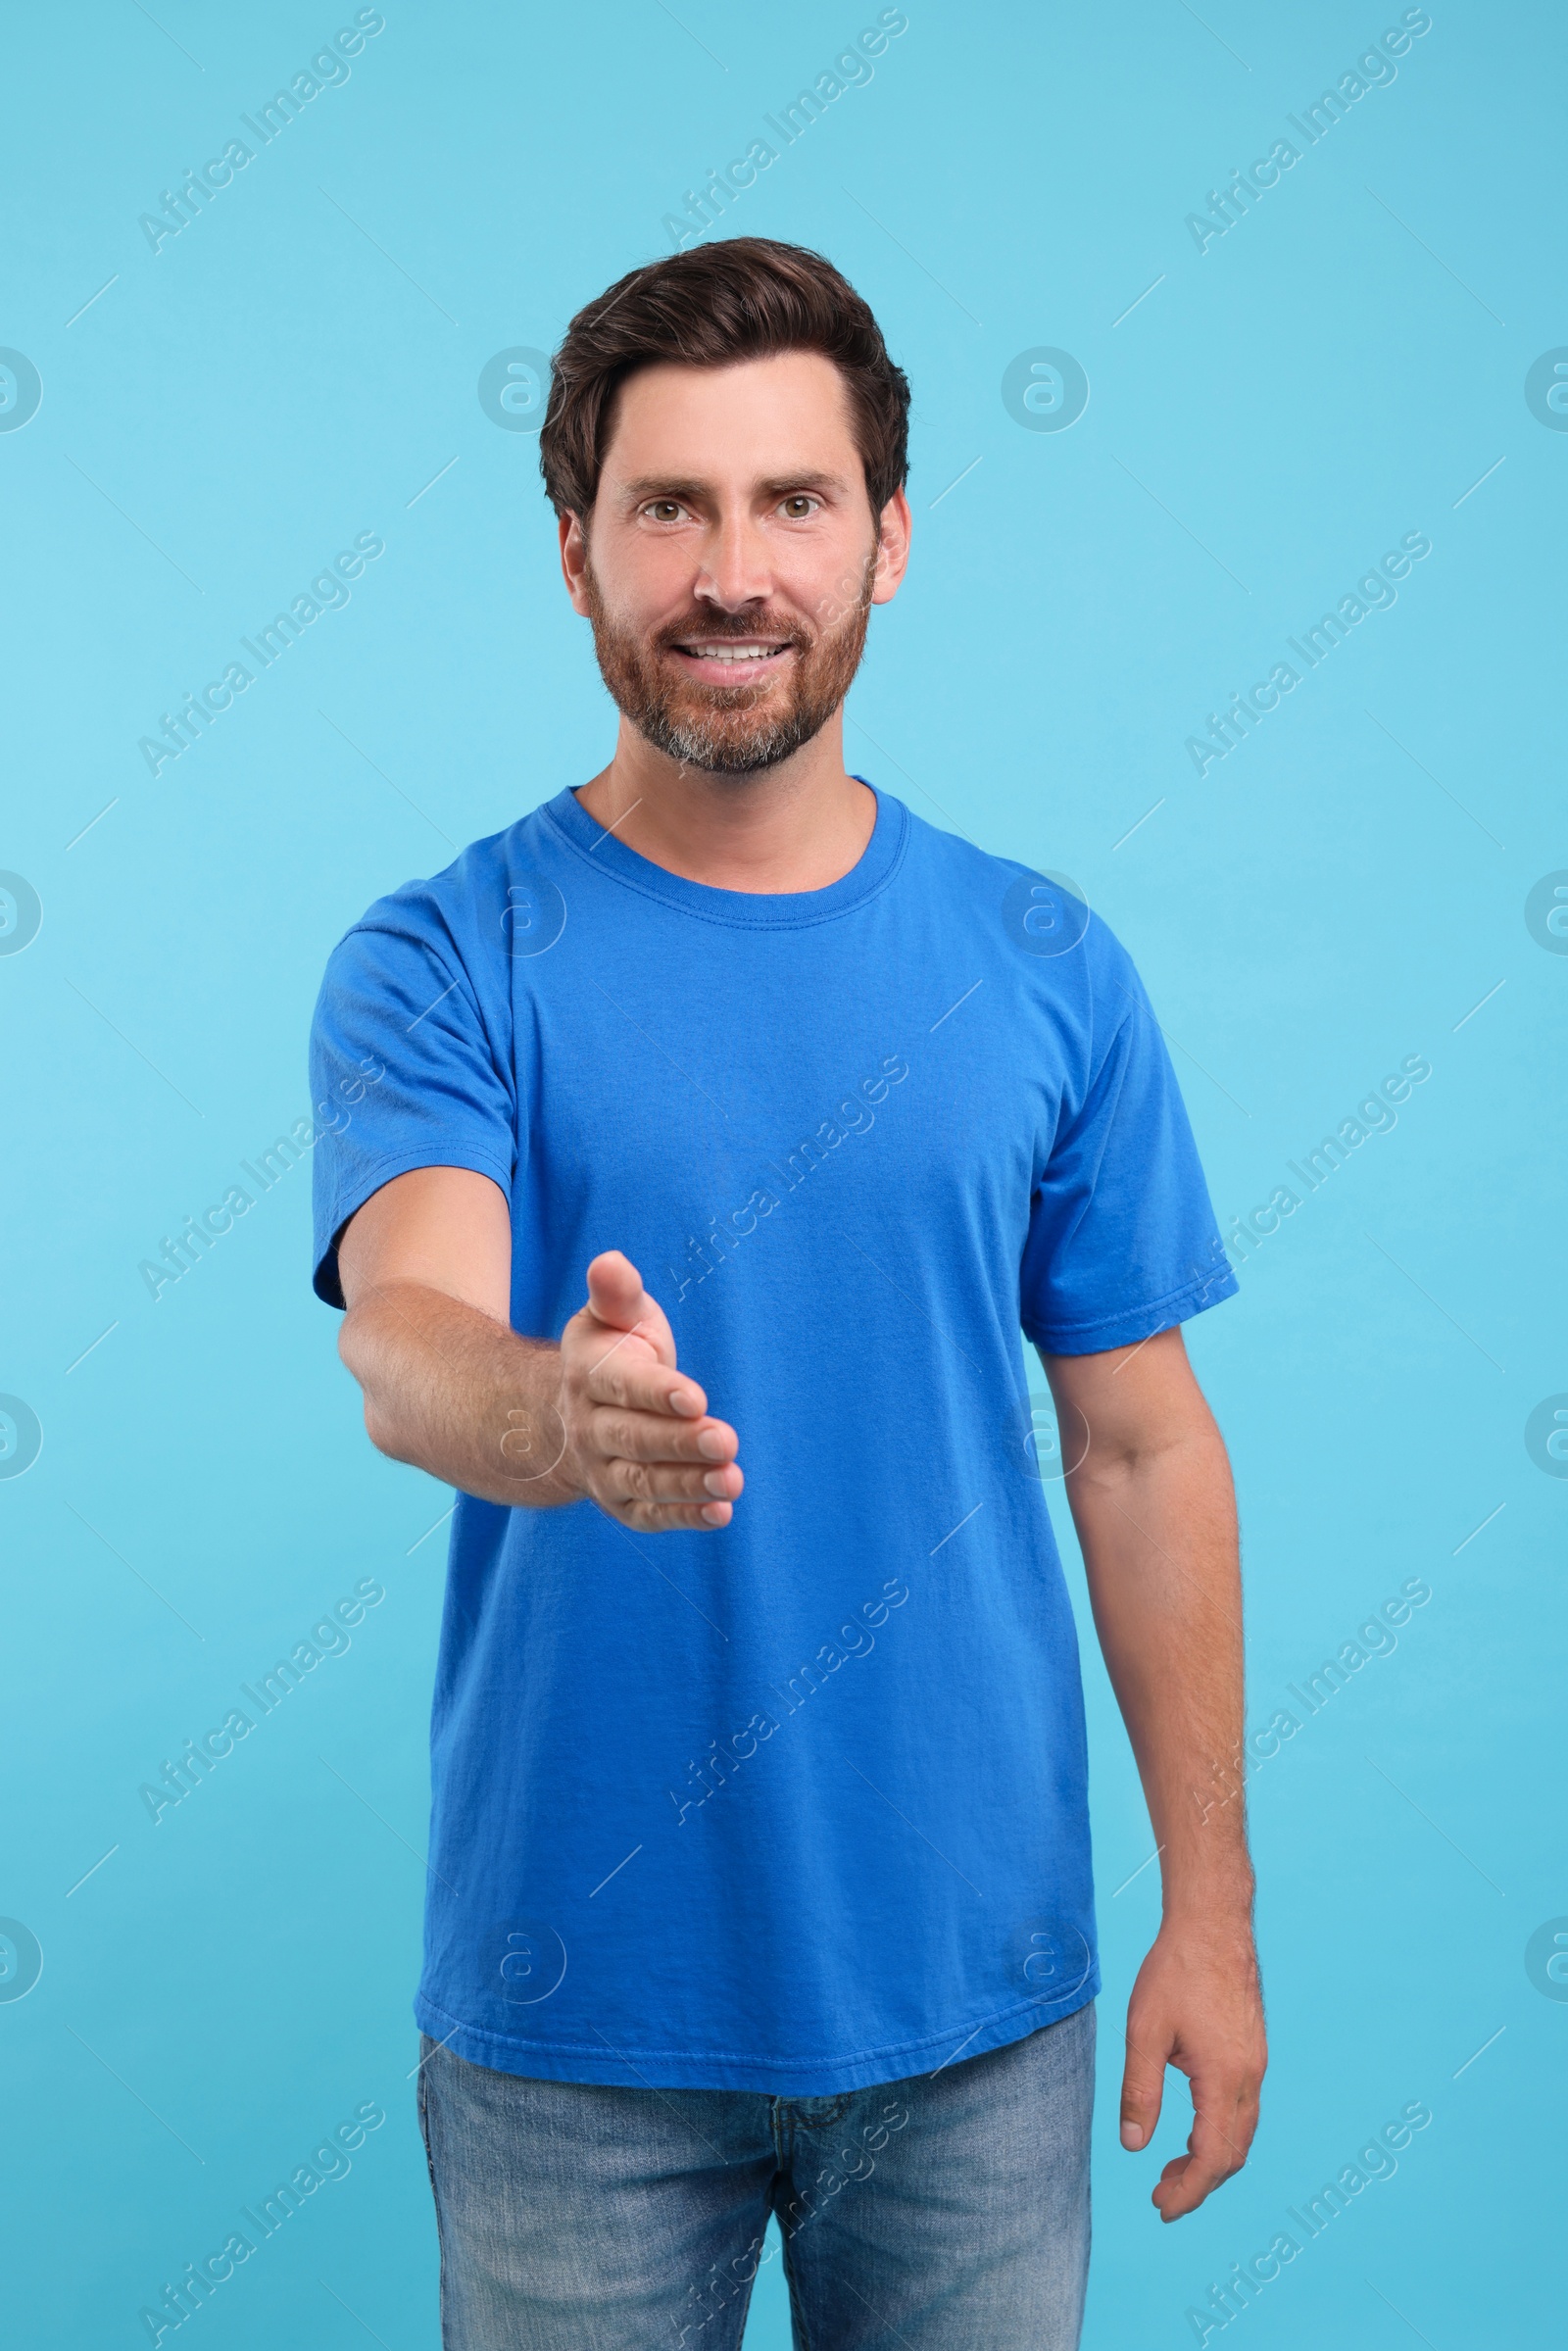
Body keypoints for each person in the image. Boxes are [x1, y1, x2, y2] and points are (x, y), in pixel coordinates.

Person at [309, 235, 1265, 2351]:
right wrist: (554, 1418)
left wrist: (1210, 1904)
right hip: (573, 2033)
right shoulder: (444, 957)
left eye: (792, 501)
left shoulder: (1042, 967)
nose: (732, 570)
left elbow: (1135, 1443)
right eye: (668, 506)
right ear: (574, 554)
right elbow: (408, 1343)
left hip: (974, 2027)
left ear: (888, 540)